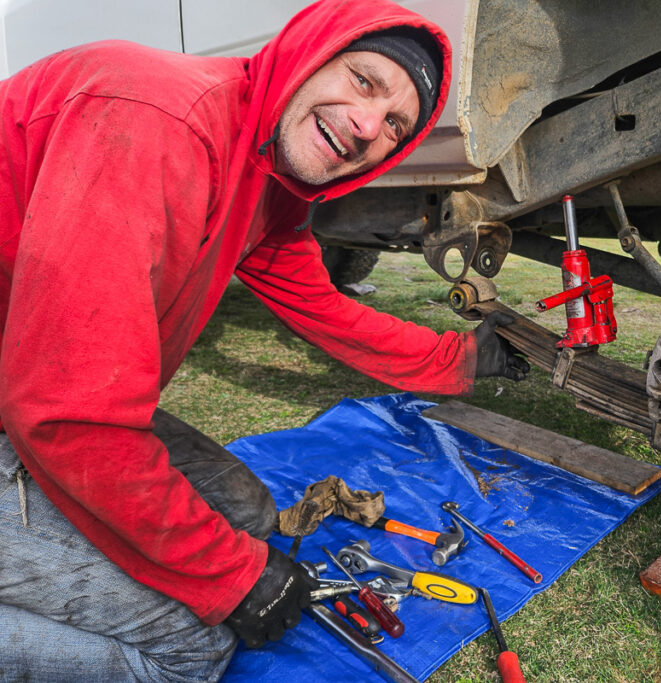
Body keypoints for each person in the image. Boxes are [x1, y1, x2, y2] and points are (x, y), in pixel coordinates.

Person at [0, 0, 528, 679]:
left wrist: (464, 359)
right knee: (196, 644)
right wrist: (231, 576)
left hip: (27, 387)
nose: (368, 125)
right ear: (307, 52)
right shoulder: (155, 124)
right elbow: (70, 417)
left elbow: (327, 310)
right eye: (363, 80)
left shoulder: (264, 179)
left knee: (249, 513)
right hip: (42, 405)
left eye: (395, 123)